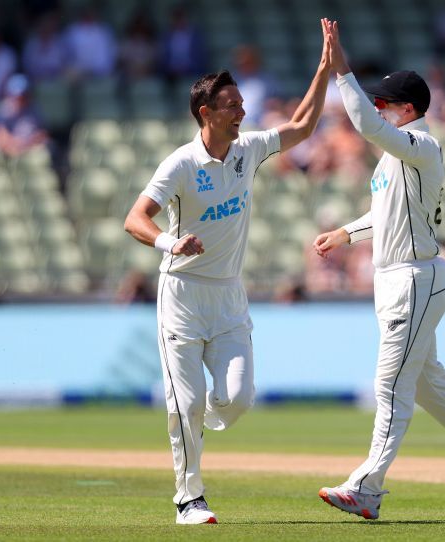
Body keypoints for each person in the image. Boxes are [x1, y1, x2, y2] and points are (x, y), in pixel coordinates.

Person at [123, 19, 333, 525]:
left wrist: (324, 68)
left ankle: (199, 414)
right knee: (185, 405)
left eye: (241, 104)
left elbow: (303, 126)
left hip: (229, 298)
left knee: (235, 401)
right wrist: (172, 242)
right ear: (206, 113)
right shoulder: (179, 164)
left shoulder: (248, 150)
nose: (242, 112)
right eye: (232, 106)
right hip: (182, 295)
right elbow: (134, 219)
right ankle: (188, 499)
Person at [312, 20, 445, 520]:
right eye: (377, 100)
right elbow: (386, 214)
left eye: (386, 102)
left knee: (390, 386)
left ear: (409, 109)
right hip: (397, 279)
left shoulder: (421, 146)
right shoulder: (394, 161)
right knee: (428, 384)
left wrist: (343, 73)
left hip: (415, 279)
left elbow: (365, 124)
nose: (379, 107)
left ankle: (367, 486)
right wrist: (346, 233)